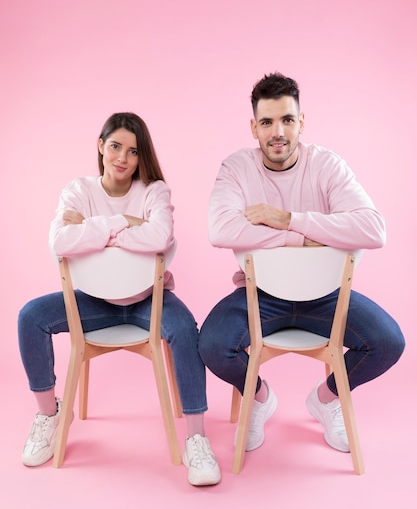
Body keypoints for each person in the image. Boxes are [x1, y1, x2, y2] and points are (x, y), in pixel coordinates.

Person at [199, 72, 405, 455]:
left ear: (301, 122)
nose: (278, 132)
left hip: (325, 297)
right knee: (211, 345)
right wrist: (302, 239)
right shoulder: (237, 168)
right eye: (267, 122)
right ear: (253, 128)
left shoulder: (326, 165)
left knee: (388, 342)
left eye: (287, 120)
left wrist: (287, 218)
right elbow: (221, 229)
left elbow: (373, 229)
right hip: (259, 295)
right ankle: (258, 397)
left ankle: (327, 399)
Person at [18, 112, 221, 486]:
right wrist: (125, 223)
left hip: (148, 300)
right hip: (93, 303)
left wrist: (91, 231)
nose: (123, 158)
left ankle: (196, 437)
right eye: (115, 147)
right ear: (101, 146)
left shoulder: (154, 190)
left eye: (132, 151)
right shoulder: (78, 190)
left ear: (141, 156)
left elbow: (160, 239)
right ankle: (49, 414)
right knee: (30, 316)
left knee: (186, 331)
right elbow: (59, 242)